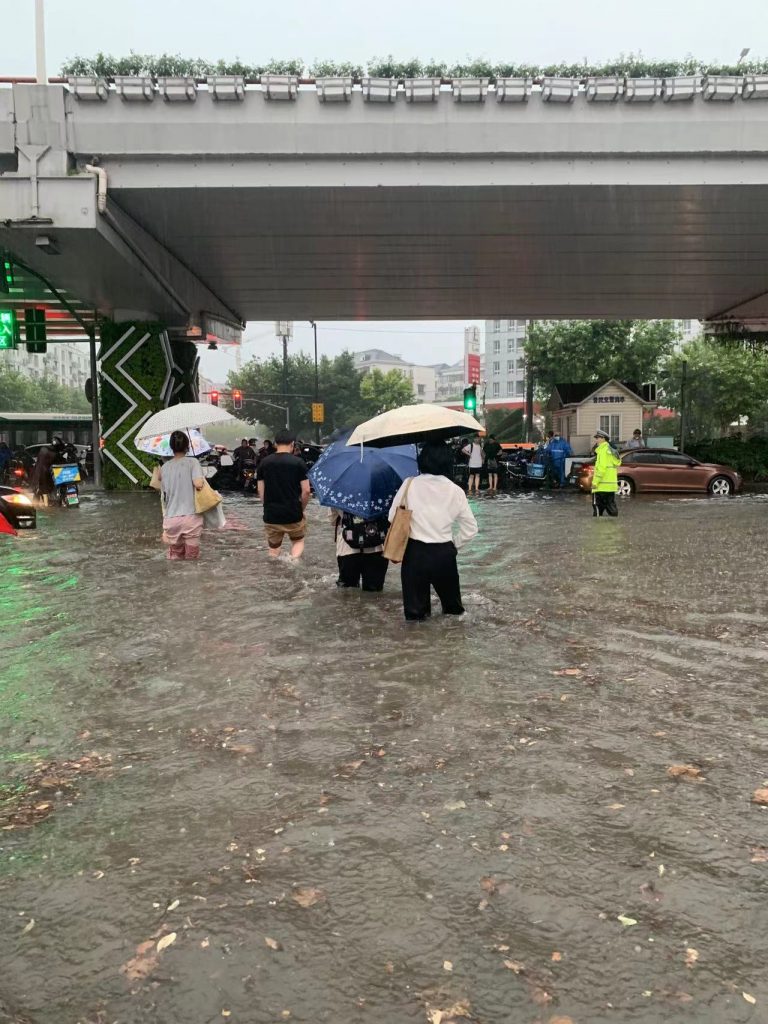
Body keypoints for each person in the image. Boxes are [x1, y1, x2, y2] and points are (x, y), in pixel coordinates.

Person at [389, 441, 478, 622]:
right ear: (448, 462)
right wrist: (454, 544)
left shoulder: (409, 484)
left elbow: (392, 517)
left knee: (415, 617)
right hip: (444, 553)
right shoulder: (455, 490)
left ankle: (418, 648)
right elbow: (471, 529)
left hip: (414, 554)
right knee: (454, 613)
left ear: (422, 460)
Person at [256, 429, 311, 558]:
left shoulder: (264, 463)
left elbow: (260, 490)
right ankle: (293, 561)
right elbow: (306, 491)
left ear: (275, 443)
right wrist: (301, 509)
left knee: (273, 549)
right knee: (298, 541)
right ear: (292, 443)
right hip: (293, 513)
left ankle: (274, 570)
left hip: (271, 514)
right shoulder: (298, 463)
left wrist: (267, 506)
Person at [158, 430, 205, 559]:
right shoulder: (193, 462)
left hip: (171, 519)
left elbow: (164, 493)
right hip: (191, 517)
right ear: (187, 446)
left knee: (175, 557)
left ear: (171, 447)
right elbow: (198, 484)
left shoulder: (164, 468)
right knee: (192, 558)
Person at [331, 509, 389, 591]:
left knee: (347, 593)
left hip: (347, 550)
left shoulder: (339, 496)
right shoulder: (382, 496)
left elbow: (333, 520)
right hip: (377, 547)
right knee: (374, 594)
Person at [591, 429, 621, 517]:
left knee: (597, 511)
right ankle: (614, 528)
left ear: (603, 439)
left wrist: (595, 482)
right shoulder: (611, 451)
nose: (596, 440)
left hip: (601, 486)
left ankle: (597, 530)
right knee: (611, 509)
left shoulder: (603, 451)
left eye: (597, 438)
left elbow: (601, 468)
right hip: (610, 487)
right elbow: (616, 463)